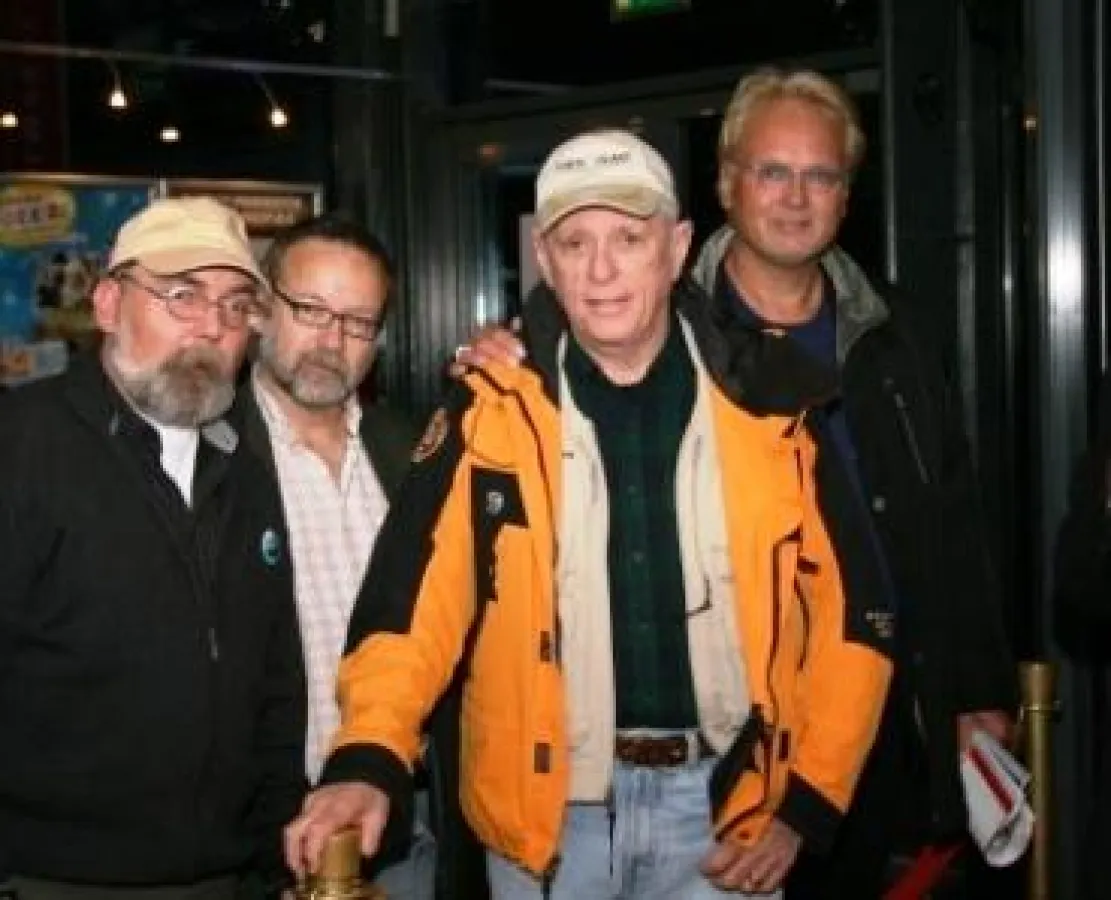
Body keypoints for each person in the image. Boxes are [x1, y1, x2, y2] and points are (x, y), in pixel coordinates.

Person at [283, 128, 893, 899]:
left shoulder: (772, 402)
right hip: (545, 822)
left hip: (724, 814)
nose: (600, 271)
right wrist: (368, 754)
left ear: (675, 249)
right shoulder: (489, 409)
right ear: (545, 259)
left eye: (627, 239)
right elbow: (411, 609)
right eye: (574, 243)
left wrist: (807, 800)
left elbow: (852, 616)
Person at [456, 69, 1018, 898]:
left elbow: (953, 520)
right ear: (726, 184)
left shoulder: (892, 334)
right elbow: (565, 334)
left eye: (819, 175)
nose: (795, 197)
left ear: (845, 194)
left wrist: (974, 687)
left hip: (882, 713)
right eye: (771, 171)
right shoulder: (657, 319)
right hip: (732, 758)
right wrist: (509, 345)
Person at [0, 197, 307, 899]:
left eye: (236, 306)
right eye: (182, 295)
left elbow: (275, 682)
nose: (212, 326)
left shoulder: (243, 470)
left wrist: (274, 853)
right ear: (108, 304)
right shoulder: (21, 448)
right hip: (54, 878)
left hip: (230, 876)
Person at [242, 214, 481, 899]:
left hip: (409, 809)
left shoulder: (415, 447)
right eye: (310, 310)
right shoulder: (210, 454)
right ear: (261, 308)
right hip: (267, 822)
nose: (331, 340)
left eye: (357, 321)